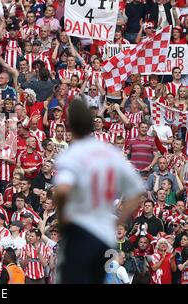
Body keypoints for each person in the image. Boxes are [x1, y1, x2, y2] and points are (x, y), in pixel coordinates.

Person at [54, 99, 145, 284]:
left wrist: (63, 220)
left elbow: (62, 190)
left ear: (70, 126)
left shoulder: (73, 154)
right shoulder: (110, 153)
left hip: (80, 232)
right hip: (104, 236)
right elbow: (137, 192)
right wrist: (119, 222)